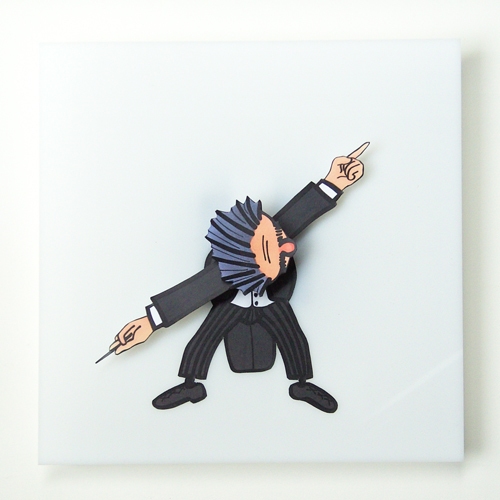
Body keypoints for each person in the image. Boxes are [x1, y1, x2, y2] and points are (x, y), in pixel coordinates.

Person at [108, 142, 369, 413]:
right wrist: (148, 322)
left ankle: (302, 383)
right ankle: (190, 384)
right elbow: (189, 295)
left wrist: (335, 181)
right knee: (202, 339)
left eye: (279, 236)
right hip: (233, 305)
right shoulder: (224, 275)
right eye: (271, 251)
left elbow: (298, 214)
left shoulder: (270, 236)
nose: (289, 246)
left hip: (271, 303)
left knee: (294, 338)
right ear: (242, 265)